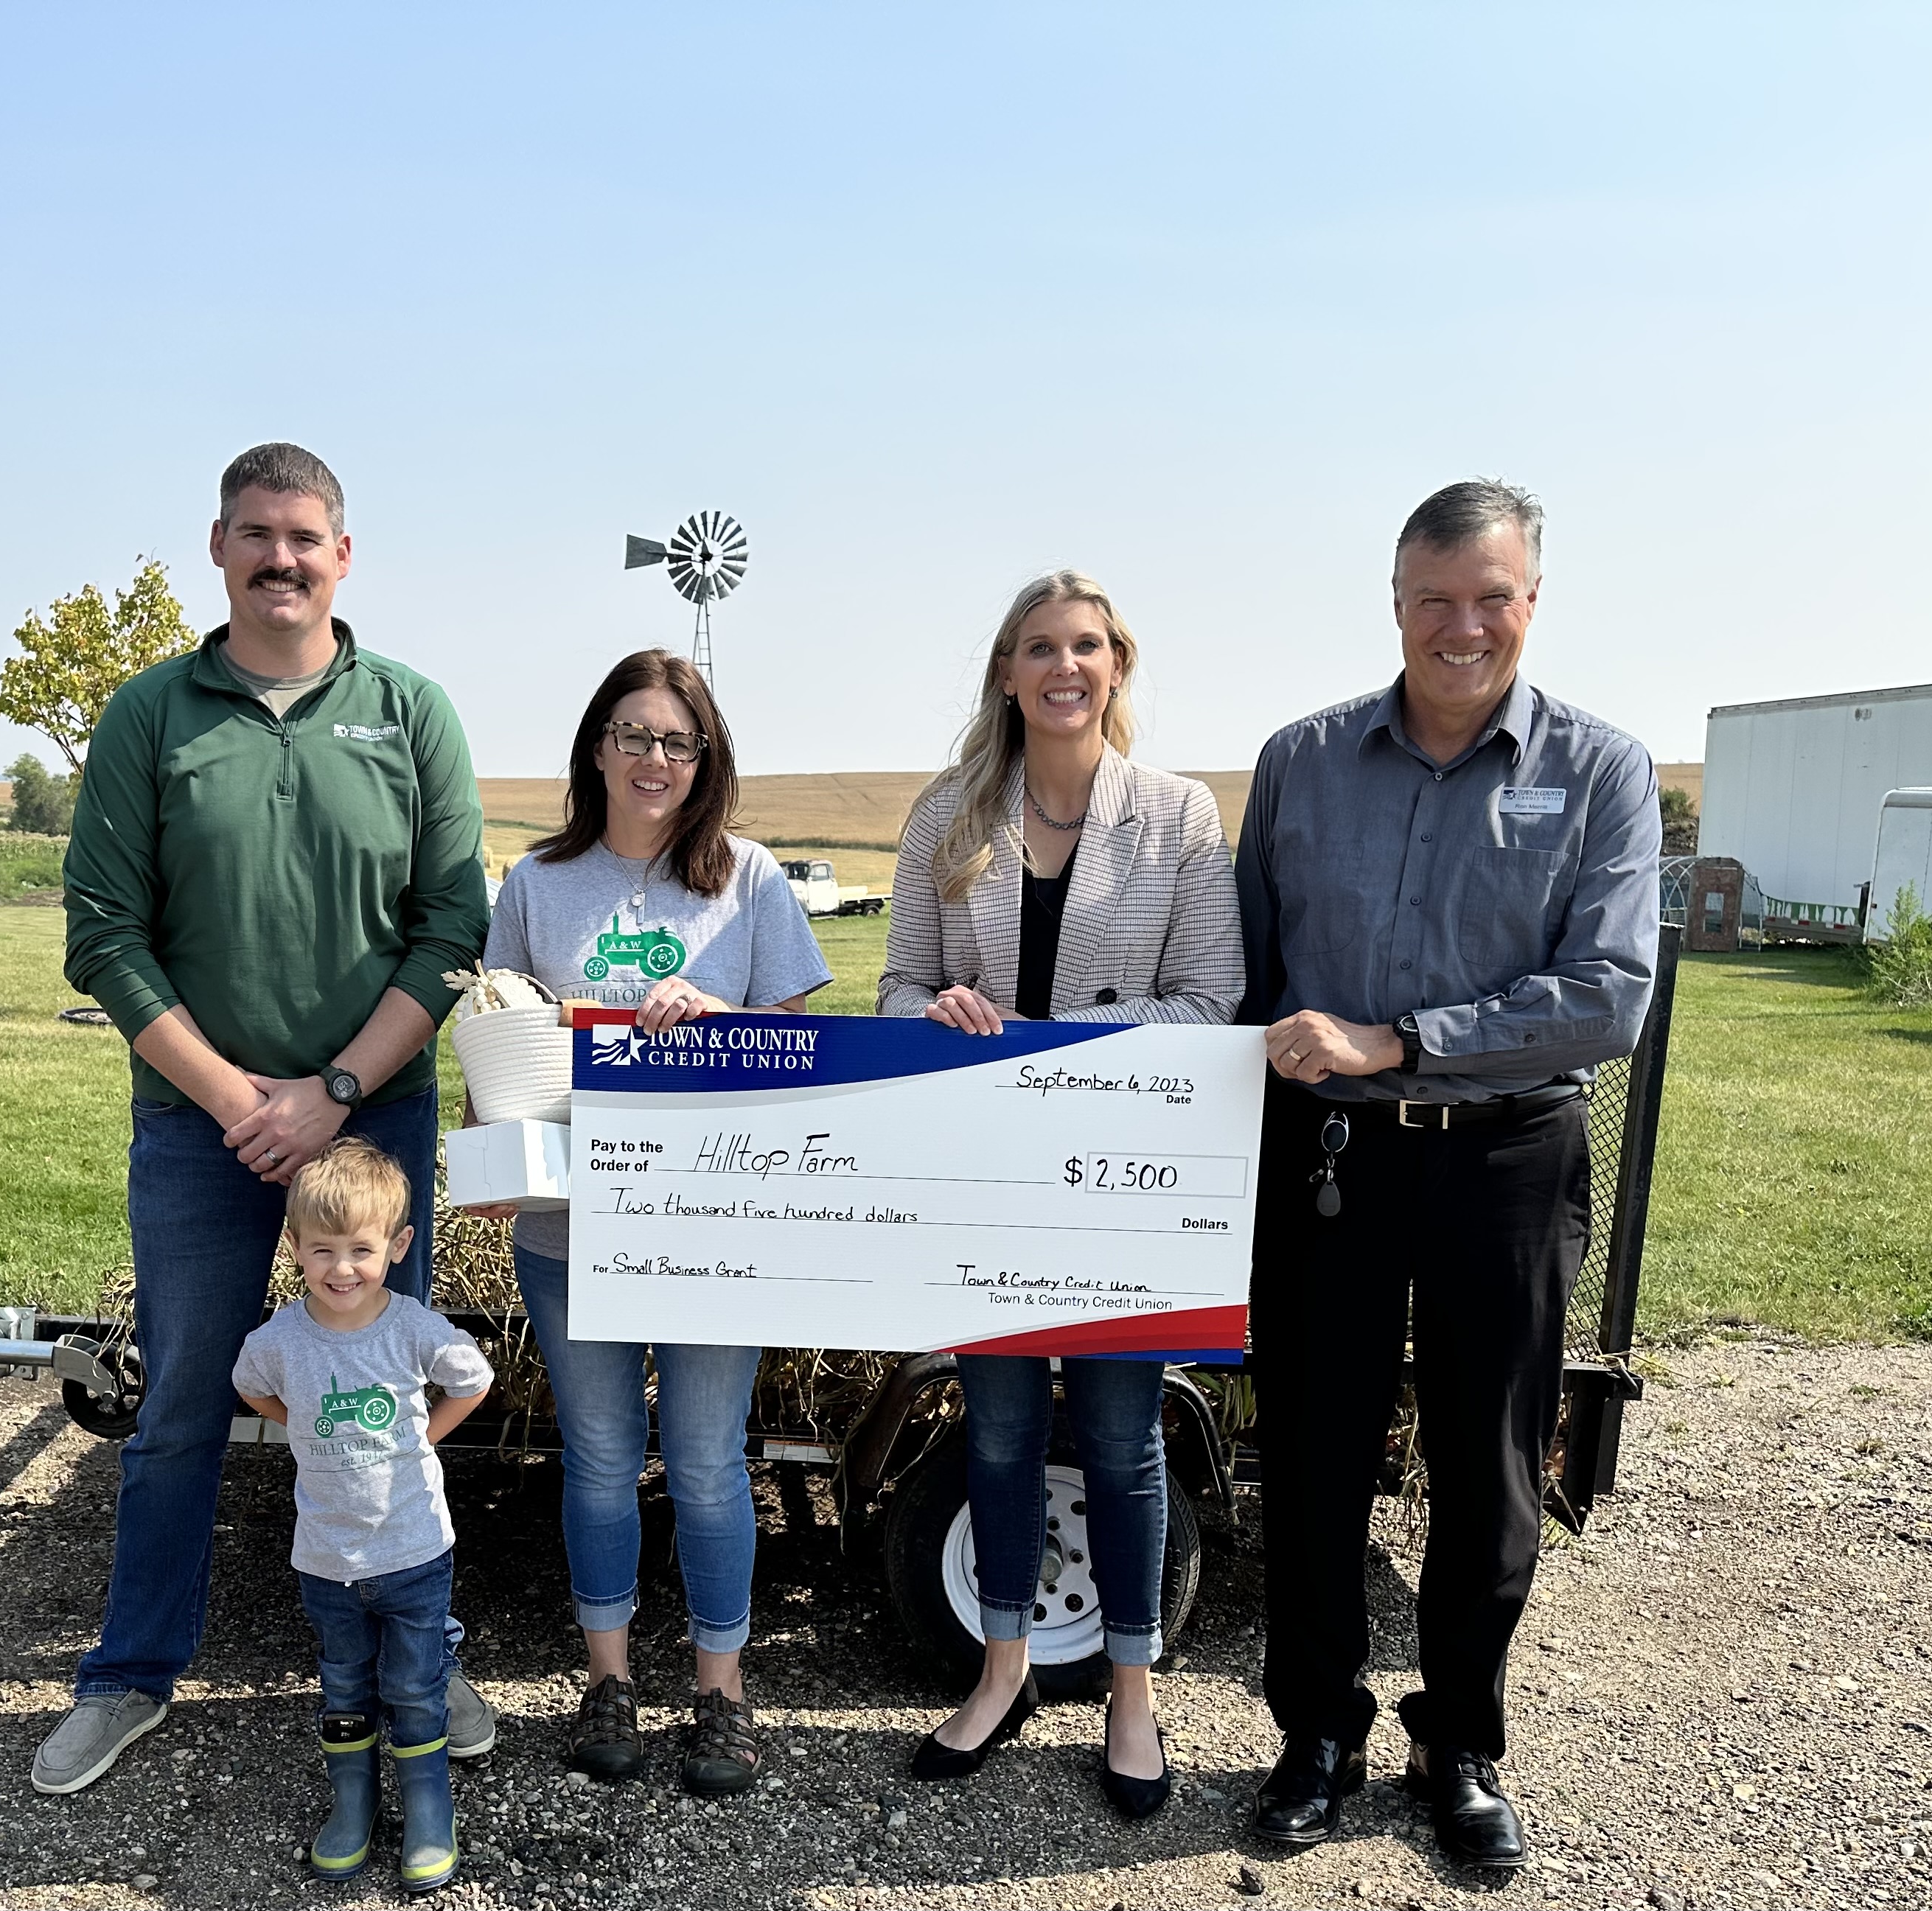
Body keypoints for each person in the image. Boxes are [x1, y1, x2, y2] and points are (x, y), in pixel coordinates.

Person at [37, 443, 495, 1794]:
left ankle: (419, 1658)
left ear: (342, 557)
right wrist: (240, 1098)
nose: (279, 558)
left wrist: (333, 1090)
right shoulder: (150, 715)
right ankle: (126, 1675)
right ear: (217, 547)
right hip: (200, 1127)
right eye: (255, 535)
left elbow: (448, 930)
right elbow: (103, 936)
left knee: (377, 1398)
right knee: (180, 1399)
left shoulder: (409, 712)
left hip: (372, 1125)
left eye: (304, 537)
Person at [1236, 480, 1659, 1870]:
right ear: (1395, 602)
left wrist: (1402, 1038)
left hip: (1507, 1162)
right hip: (1331, 1163)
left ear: (1528, 601)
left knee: (1485, 1466)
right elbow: (1242, 981)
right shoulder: (1298, 761)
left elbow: (1606, 998)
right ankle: (1313, 1731)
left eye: (1490, 597)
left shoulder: (1599, 770)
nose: (1460, 625)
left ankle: (1455, 1737)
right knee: (1310, 1453)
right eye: (1434, 599)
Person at [876, 569, 1244, 1817]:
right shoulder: (946, 814)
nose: (1062, 664)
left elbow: (1209, 999)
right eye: (1039, 645)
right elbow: (892, 991)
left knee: (1123, 1442)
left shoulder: (1180, 816)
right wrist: (933, 1011)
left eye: (1085, 644)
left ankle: (1131, 1696)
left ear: (1115, 665)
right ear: (1004, 669)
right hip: (983, 1179)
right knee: (991, 1431)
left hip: (1120, 1180)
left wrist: (1047, 1032)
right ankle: (1000, 1670)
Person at [474, 648, 831, 1795]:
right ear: (594, 748)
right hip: (566, 1234)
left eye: (677, 741)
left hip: (713, 1230)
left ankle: (720, 1697)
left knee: (708, 1465)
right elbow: (496, 1045)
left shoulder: (752, 880)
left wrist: (720, 1016)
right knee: (597, 1459)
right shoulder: (535, 884)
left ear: (704, 758)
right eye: (632, 735)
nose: (654, 759)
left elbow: (798, 1053)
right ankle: (609, 1679)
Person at [233, 1140, 494, 1895]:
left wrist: (423, 1437)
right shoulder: (280, 1340)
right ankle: (353, 1802)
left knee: (416, 1686)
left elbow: (472, 1378)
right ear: (295, 1249)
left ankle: (427, 1803)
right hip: (327, 1560)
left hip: (413, 1552)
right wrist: (303, 1427)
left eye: (361, 1250)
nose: (341, 1268)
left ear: (398, 1245)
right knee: (343, 1683)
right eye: (323, 1251)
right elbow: (251, 1387)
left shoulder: (411, 1328)